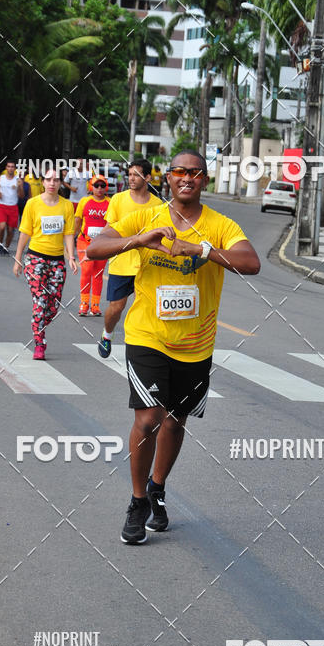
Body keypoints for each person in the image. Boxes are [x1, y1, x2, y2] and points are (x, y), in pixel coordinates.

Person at [87, 150, 260, 544]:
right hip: (148, 335)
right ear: (168, 178)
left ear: (204, 180)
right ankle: (136, 502)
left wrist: (198, 250)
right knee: (148, 418)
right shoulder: (148, 217)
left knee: (175, 420)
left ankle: (157, 489)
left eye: (195, 173)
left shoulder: (219, 224)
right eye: (179, 171)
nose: (187, 178)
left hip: (196, 344)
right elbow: (95, 248)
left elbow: (250, 263)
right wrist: (136, 240)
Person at [96, 158, 161, 358]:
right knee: (116, 308)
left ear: (148, 177)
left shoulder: (157, 204)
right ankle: (107, 335)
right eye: (130, 174)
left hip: (148, 264)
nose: (131, 178)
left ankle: (148, 344)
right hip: (122, 262)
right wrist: (100, 242)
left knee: (151, 309)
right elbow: (110, 228)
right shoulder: (118, 200)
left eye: (136, 175)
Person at [14, 169, 77, 360]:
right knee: (40, 300)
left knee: (53, 306)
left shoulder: (66, 206)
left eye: (56, 180)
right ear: (43, 182)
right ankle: (39, 343)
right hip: (35, 259)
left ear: (60, 183)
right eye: (48, 179)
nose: (52, 183)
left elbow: (68, 233)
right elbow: (25, 232)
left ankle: (38, 323)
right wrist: (18, 258)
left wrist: (71, 257)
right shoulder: (32, 204)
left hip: (57, 261)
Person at [74, 174, 110, 316]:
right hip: (85, 242)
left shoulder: (111, 203)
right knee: (87, 270)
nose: (99, 189)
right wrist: (73, 237)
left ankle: (95, 305)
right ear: (91, 187)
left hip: (102, 244)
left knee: (98, 274)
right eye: (96, 185)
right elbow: (77, 220)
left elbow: (113, 222)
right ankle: (84, 303)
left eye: (102, 186)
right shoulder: (84, 201)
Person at [0, 161, 24, 255]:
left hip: (13, 207)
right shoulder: (0, 178)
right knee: (2, 226)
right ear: (6, 168)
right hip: (2, 206)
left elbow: (22, 196)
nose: (10, 168)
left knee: (11, 230)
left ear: (15, 169)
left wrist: (20, 187)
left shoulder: (18, 180)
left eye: (12, 167)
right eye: (9, 166)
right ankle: (0, 244)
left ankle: (5, 247)